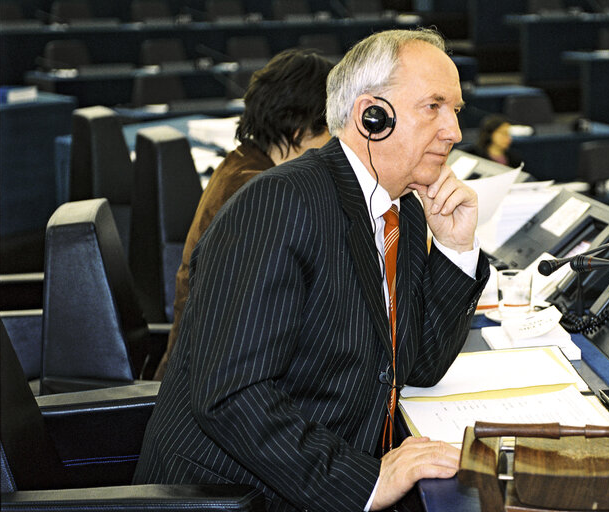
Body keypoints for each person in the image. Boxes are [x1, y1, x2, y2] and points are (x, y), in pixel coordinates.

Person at [134, 28, 490, 511]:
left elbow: (418, 365)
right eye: (434, 107)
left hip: (320, 464)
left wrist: (455, 249)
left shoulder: (401, 206)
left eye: (455, 111)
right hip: (237, 494)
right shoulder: (278, 202)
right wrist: (362, 483)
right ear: (372, 117)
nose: (454, 131)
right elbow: (232, 393)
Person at [153, 48, 334, 380]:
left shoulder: (243, 163)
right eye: (331, 130)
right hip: (206, 392)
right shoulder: (261, 193)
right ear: (298, 130)